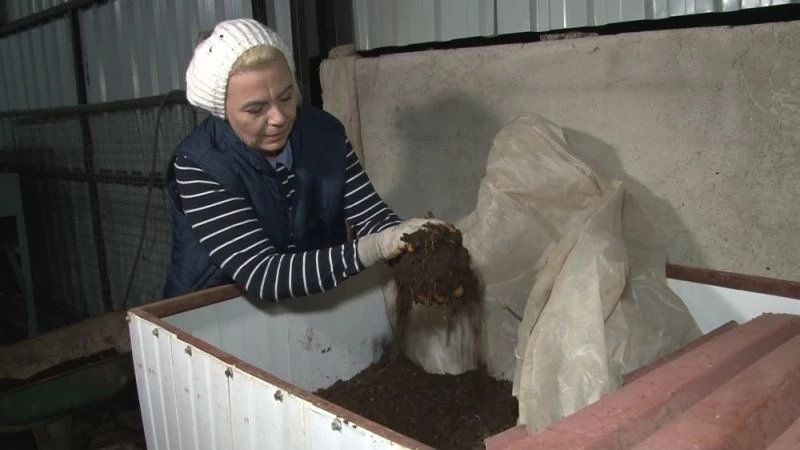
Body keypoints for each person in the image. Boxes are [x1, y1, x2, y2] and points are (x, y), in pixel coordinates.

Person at [163, 18, 440, 301]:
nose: (279, 118)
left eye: (285, 97)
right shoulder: (200, 164)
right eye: (255, 109)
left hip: (310, 297)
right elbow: (264, 273)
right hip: (212, 313)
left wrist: (417, 249)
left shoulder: (325, 135)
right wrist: (376, 248)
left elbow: (370, 216)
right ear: (221, 110)